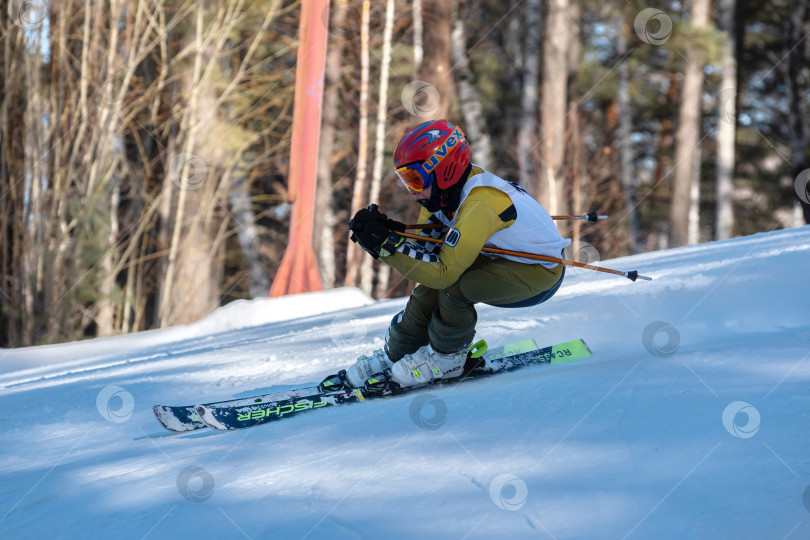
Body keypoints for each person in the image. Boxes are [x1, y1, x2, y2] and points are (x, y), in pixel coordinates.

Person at [346, 119, 570, 390]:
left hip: (541, 273)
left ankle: (448, 358)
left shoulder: (480, 203)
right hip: (500, 258)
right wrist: (390, 235)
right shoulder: (440, 197)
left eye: (415, 179)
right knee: (429, 289)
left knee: (456, 290)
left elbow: (443, 274)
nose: (412, 191)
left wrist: (385, 246)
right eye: (405, 180)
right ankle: (398, 353)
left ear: (443, 171)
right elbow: (427, 254)